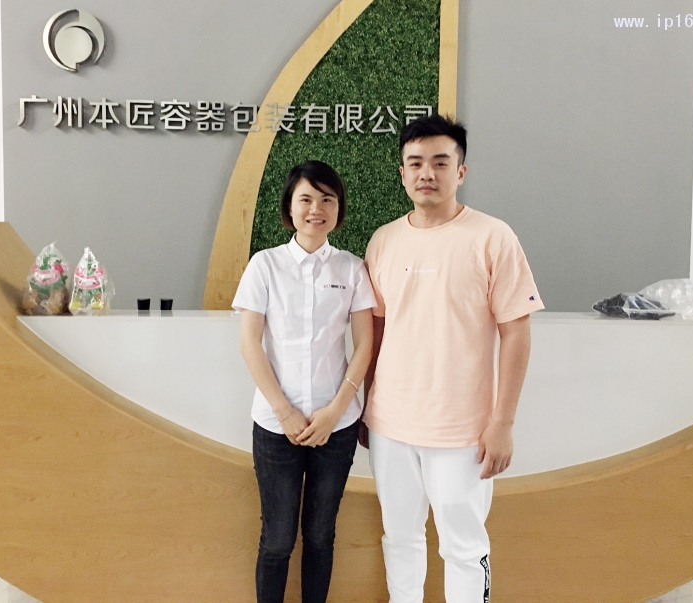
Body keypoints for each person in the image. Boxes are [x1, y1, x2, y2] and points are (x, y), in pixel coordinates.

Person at [362, 115, 545, 602]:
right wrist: (366, 406)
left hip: (463, 430)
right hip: (389, 424)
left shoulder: (492, 236)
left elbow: (517, 333)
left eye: (441, 162)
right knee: (399, 538)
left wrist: (502, 423)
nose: (427, 173)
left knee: (463, 546)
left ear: (460, 172)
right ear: (402, 173)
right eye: (416, 163)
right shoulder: (383, 240)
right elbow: (376, 330)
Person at [233, 160, 376, 603]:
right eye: (307, 199)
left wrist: (336, 411)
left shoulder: (352, 269)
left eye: (327, 199)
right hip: (276, 427)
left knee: (320, 535)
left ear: (338, 209)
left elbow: (365, 345)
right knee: (277, 539)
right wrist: (285, 412)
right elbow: (250, 345)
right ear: (290, 208)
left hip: (336, 426)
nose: (317, 209)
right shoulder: (265, 265)